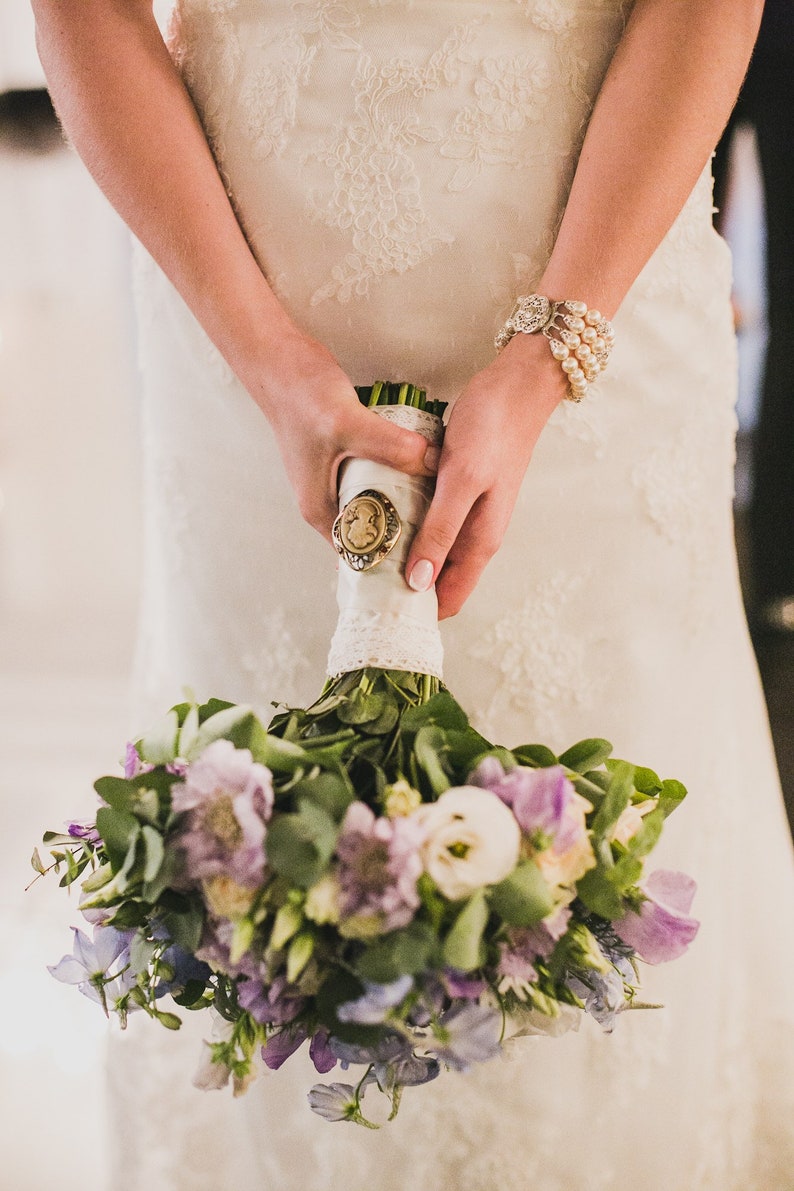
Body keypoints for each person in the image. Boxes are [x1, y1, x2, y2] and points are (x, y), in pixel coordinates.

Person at [31, 2, 794, 1189]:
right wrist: (273, 369)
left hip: (598, 268)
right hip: (244, 298)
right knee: (254, 861)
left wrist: (552, 350)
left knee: (627, 814)